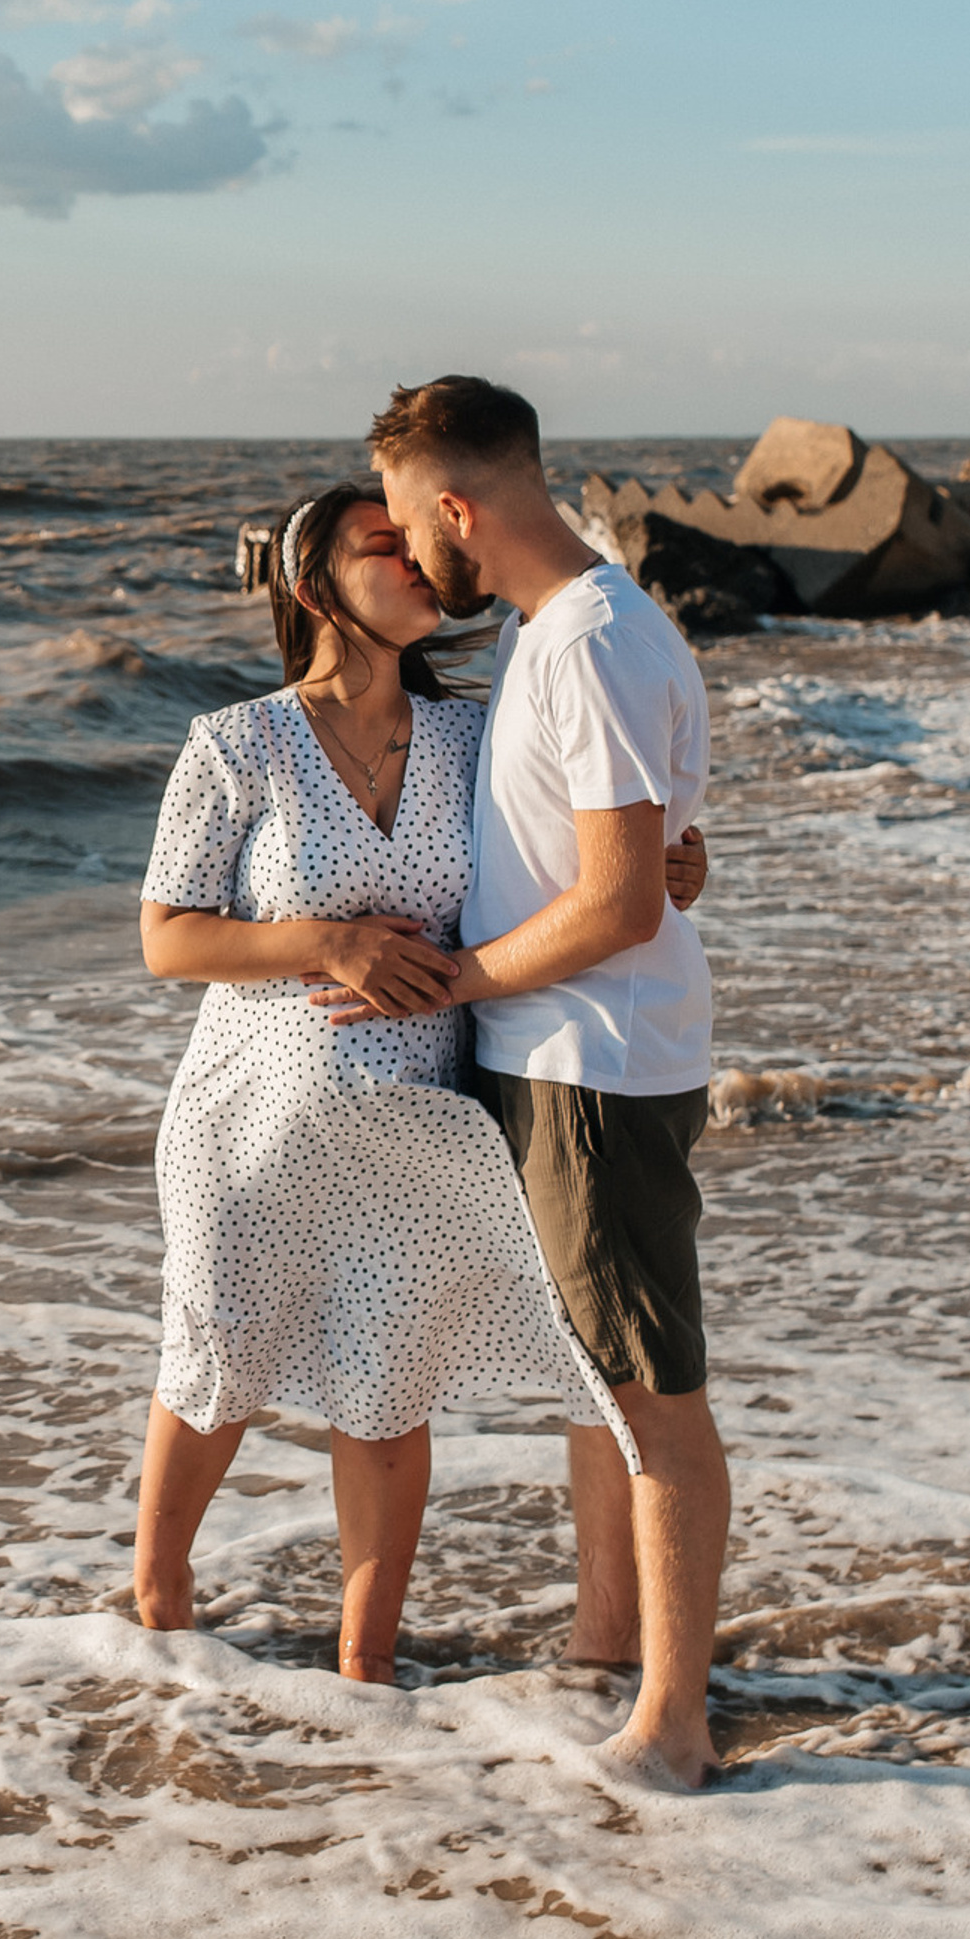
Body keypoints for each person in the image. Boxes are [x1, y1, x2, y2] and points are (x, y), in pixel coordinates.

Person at [131, 480, 706, 1686]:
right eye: (379, 547)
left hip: (421, 1132)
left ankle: (363, 1671)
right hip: (250, 1128)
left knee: (385, 1398)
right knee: (213, 1367)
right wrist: (321, 942)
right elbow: (168, 939)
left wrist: (663, 858)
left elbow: (578, 846)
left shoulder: (470, 733)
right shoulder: (235, 743)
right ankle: (157, 1609)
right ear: (312, 584)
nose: (412, 559)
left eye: (410, 537)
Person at [349, 376, 727, 1792]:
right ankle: (609, 1648)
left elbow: (623, 903)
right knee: (599, 1382)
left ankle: (674, 1728)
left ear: (457, 506)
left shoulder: (592, 643)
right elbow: (646, 859)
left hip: (593, 1067)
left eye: (401, 518)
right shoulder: (564, 632)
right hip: (566, 1055)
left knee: (648, 1397)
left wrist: (456, 980)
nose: (403, 550)